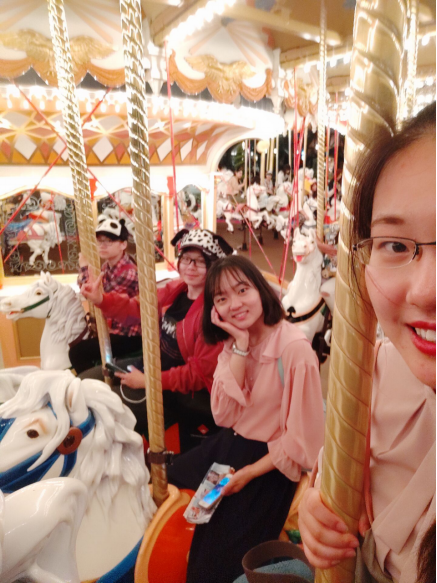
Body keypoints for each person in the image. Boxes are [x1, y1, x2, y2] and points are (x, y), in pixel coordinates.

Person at [296, 103, 436, 583]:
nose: (424, 291)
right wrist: (318, 510)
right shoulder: (371, 371)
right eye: (395, 245)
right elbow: (325, 478)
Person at [167, 256, 326, 583]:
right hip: (230, 449)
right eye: (222, 298)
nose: (235, 304)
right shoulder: (234, 342)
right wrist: (238, 346)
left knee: (227, 565)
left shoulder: (294, 350)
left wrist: (250, 473)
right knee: (201, 547)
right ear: (214, 309)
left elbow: (303, 440)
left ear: (261, 290)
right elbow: (223, 414)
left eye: (242, 290)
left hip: (268, 465)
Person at [81, 228, 234, 451]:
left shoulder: (213, 312)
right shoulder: (176, 290)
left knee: (105, 409)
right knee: (86, 382)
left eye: (200, 261)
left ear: (213, 266)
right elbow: (138, 309)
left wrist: (149, 381)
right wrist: (101, 299)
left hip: (177, 387)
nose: (190, 266)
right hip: (153, 365)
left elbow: (198, 373)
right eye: (186, 259)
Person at [69, 216, 142, 375]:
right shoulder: (106, 267)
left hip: (129, 334)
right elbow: (86, 287)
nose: (102, 245)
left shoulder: (128, 272)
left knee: (77, 352)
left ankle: (95, 384)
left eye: (109, 241)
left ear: (123, 244)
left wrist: (84, 268)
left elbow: (100, 297)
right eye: (100, 241)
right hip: (115, 329)